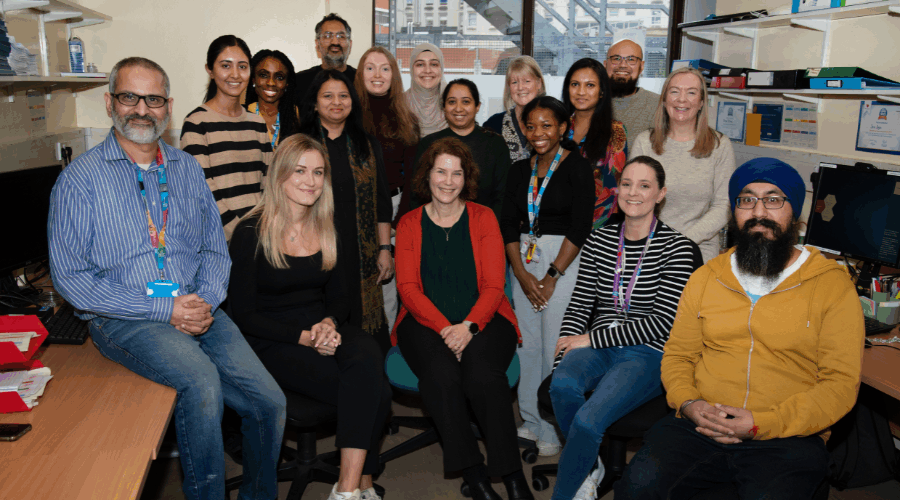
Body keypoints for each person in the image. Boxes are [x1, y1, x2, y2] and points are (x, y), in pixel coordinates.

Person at [47, 56, 286, 500]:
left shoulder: (187, 169)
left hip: (198, 307)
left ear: (169, 106)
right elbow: (71, 279)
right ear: (109, 102)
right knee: (201, 383)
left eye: (154, 99)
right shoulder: (79, 181)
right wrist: (166, 308)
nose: (142, 108)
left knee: (269, 404)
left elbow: (216, 249)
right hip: (124, 317)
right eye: (130, 96)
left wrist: (204, 303)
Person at [616, 158, 865, 500]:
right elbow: (678, 355)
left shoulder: (832, 286)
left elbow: (839, 384)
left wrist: (762, 423)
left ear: (794, 214)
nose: (758, 211)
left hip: (787, 434)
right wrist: (688, 403)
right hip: (700, 423)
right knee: (636, 489)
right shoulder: (706, 276)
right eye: (746, 200)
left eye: (773, 199)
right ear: (734, 212)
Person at [228, 134, 392, 500]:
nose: (310, 181)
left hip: (320, 329)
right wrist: (305, 336)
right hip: (272, 339)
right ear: (280, 175)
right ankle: (361, 482)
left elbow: (340, 299)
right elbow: (244, 316)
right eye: (300, 170)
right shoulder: (250, 232)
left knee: (366, 350)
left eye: (318, 172)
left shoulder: (326, 228)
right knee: (374, 390)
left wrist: (329, 324)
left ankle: (345, 489)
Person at [547, 156, 702, 500]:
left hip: (647, 350)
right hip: (597, 345)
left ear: (661, 194)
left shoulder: (678, 248)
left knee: (588, 420)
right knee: (560, 387)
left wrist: (589, 338)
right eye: (627, 184)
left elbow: (662, 322)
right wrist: (563, 356)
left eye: (645, 186)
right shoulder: (599, 241)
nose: (634, 193)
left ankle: (566, 492)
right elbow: (580, 304)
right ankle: (589, 467)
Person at [393, 137, 534, 500]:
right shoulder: (409, 223)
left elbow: (493, 285)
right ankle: (476, 476)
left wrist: (468, 327)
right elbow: (408, 289)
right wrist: (445, 329)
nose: (448, 180)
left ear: (466, 178)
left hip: (484, 317)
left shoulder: (483, 217)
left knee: (483, 375)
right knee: (440, 376)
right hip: (424, 321)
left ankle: (512, 475)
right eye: (441, 171)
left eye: (457, 173)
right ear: (428, 175)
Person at [500, 96, 594, 457]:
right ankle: (531, 419)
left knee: (555, 344)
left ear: (563, 128)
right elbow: (507, 223)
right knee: (528, 344)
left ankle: (553, 429)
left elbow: (581, 225)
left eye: (547, 125)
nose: (538, 133)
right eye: (531, 126)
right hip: (522, 258)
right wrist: (522, 275)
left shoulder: (577, 167)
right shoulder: (519, 171)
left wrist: (552, 274)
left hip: (563, 259)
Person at [298, 70, 394, 355]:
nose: (336, 102)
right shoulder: (301, 143)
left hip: (361, 255)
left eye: (343, 96)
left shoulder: (367, 144)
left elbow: (382, 201)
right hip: (315, 250)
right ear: (315, 103)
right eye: (327, 96)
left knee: (366, 337)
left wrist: (385, 248)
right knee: (322, 328)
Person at [630, 66, 736, 262]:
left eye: (691, 93)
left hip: (697, 250)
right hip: (648, 247)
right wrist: (655, 243)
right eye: (675, 91)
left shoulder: (720, 146)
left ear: (701, 102)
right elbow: (632, 200)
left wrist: (681, 242)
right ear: (664, 99)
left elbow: (724, 206)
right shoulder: (644, 142)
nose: (682, 99)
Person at [355, 46, 420, 334]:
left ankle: (388, 355)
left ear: (393, 75)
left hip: (394, 212)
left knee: (389, 290)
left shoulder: (408, 120)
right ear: (360, 74)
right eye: (370, 67)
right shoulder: (348, 117)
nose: (377, 74)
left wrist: (397, 224)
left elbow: (414, 180)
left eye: (385, 68)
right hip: (354, 210)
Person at [181, 35, 272, 240]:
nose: (235, 75)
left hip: (261, 236)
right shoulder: (196, 124)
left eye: (242, 66)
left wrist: (264, 228)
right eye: (225, 65)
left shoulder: (257, 123)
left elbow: (269, 184)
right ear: (210, 71)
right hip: (220, 242)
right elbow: (202, 191)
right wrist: (241, 234)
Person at [408, 78, 511, 220]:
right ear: (443, 107)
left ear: (477, 106)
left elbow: (502, 197)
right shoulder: (428, 144)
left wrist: (489, 230)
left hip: (484, 228)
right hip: (435, 227)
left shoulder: (495, 144)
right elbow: (417, 195)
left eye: (466, 101)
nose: (458, 108)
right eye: (451, 101)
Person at [562, 58, 628, 229]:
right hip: (556, 225)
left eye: (590, 85)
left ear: (602, 92)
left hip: (598, 229)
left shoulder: (615, 131)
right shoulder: (557, 128)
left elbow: (612, 190)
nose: (581, 92)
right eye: (575, 84)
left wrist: (582, 230)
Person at [484, 56, 547, 162]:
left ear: (539, 83)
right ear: (509, 87)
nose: (520, 87)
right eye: (514, 82)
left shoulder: (552, 123)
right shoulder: (493, 124)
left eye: (526, 81)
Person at [606, 38, 659, 152]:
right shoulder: (589, 100)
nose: (623, 65)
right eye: (616, 58)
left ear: (642, 66)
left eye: (631, 59)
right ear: (605, 64)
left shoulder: (657, 105)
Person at [245, 49, 301, 150]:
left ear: (287, 83)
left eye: (279, 77)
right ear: (253, 79)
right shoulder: (242, 113)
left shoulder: (295, 115)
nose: (271, 83)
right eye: (263, 75)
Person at [294, 13, 356, 103]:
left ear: (350, 44)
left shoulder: (362, 80)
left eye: (341, 36)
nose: (335, 42)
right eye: (327, 36)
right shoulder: (299, 82)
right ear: (317, 44)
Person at [405, 43, 448, 137]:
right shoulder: (398, 105)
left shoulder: (453, 105)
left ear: (441, 69)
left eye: (434, 64)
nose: (427, 70)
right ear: (411, 69)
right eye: (420, 64)